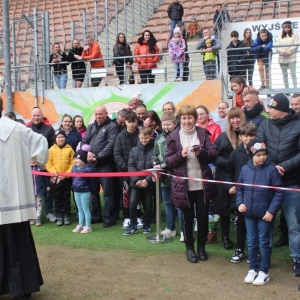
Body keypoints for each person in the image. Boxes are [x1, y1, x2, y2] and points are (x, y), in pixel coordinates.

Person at [0, 97, 48, 300]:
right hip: (14, 200)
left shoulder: (18, 129)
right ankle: (22, 288)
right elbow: (42, 145)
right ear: (2, 106)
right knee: (18, 243)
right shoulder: (18, 129)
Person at [165, 105, 218, 263]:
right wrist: (180, 155)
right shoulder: (173, 136)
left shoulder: (203, 133)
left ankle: (201, 247)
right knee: (187, 219)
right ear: (179, 119)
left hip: (202, 185)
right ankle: (189, 248)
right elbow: (168, 161)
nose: (187, 121)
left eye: (190, 118)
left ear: (195, 119)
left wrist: (202, 153)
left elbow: (213, 155)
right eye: (184, 118)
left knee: (202, 217)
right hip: (183, 186)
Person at [256, 93, 300, 276]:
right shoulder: (265, 123)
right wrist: (273, 168)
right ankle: (264, 257)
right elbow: (259, 146)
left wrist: (283, 166)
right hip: (269, 183)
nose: (268, 110)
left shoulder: (298, 124)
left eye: (271, 107)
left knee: (294, 225)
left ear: (280, 109)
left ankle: (297, 258)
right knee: (266, 223)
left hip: (292, 183)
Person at [237, 139, 284, 285]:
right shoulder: (245, 169)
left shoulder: (271, 170)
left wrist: (271, 211)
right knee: (251, 242)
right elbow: (240, 188)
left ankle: (264, 271)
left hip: (265, 215)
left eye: (264, 154)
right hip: (249, 213)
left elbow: (279, 193)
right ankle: (253, 269)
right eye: (259, 155)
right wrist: (240, 203)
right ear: (251, 155)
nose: (262, 157)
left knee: (264, 242)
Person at [212, 107, 245, 250]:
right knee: (224, 209)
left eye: (237, 117)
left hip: (243, 177)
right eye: (232, 118)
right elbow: (214, 157)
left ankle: (241, 239)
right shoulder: (223, 137)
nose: (235, 120)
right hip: (224, 176)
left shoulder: (248, 135)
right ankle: (225, 237)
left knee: (241, 209)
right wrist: (229, 163)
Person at [81, 106, 119, 226]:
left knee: (108, 193)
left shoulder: (112, 127)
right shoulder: (91, 126)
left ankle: (109, 218)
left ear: (106, 114)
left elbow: (111, 145)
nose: (98, 116)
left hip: (105, 165)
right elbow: (84, 141)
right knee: (93, 192)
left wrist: (97, 157)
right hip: (91, 165)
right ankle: (96, 215)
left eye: (101, 114)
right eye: (96, 114)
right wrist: (87, 153)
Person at [225, 123, 257, 264]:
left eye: (251, 135)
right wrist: (230, 185)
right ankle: (239, 249)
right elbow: (228, 172)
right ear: (241, 136)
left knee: (255, 224)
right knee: (240, 223)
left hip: (257, 195)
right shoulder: (236, 154)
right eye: (245, 135)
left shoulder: (261, 153)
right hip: (241, 195)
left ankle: (254, 251)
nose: (248, 138)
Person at [152, 113, 182, 239]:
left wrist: (163, 165)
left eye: (168, 124)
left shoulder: (179, 137)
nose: (166, 127)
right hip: (163, 177)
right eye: (164, 124)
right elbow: (154, 153)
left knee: (179, 204)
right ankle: (170, 228)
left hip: (177, 176)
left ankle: (183, 231)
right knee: (168, 203)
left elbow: (178, 157)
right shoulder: (159, 138)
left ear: (175, 124)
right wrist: (155, 162)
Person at [26, 107, 57, 223]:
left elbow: (53, 147)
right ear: (31, 116)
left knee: (47, 189)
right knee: (32, 190)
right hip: (30, 166)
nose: (36, 117)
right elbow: (23, 146)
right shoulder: (26, 129)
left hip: (45, 165)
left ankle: (49, 212)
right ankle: (32, 214)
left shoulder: (49, 129)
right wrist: (29, 159)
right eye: (34, 115)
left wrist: (46, 162)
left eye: (38, 115)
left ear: (42, 116)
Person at [124, 127, 155, 235]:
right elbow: (131, 166)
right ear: (139, 137)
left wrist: (147, 180)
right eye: (142, 138)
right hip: (135, 183)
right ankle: (133, 226)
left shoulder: (154, 149)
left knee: (148, 204)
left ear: (150, 137)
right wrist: (136, 180)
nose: (144, 140)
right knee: (132, 203)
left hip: (149, 183)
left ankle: (147, 225)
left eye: (146, 138)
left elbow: (154, 167)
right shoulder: (133, 150)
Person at [114, 111, 140, 230]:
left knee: (138, 195)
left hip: (139, 171)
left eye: (133, 121)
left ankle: (138, 216)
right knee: (125, 195)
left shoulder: (141, 134)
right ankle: (126, 217)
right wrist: (126, 168)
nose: (131, 124)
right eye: (129, 122)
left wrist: (137, 169)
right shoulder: (120, 136)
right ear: (125, 122)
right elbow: (117, 154)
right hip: (124, 172)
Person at [46, 129, 75, 226]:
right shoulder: (51, 150)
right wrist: (56, 173)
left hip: (66, 178)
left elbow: (73, 162)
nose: (60, 139)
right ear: (55, 139)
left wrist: (67, 173)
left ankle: (66, 214)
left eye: (62, 137)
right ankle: (59, 214)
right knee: (57, 197)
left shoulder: (69, 149)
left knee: (66, 196)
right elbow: (48, 164)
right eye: (58, 137)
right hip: (56, 178)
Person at [72, 145, 98, 234]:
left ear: (83, 159)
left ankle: (88, 226)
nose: (75, 160)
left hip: (85, 192)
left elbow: (93, 182)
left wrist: (93, 192)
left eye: (77, 158)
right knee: (79, 209)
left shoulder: (89, 169)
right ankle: (80, 224)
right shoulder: (74, 168)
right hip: (76, 191)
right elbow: (73, 179)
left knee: (85, 209)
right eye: (75, 158)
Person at [276, 21, 299, 89]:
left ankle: (295, 90)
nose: (287, 29)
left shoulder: (295, 35)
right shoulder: (280, 36)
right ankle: (287, 90)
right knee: (285, 75)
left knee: (293, 74)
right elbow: (277, 46)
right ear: (283, 28)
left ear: (290, 27)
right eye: (285, 27)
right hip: (282, 58)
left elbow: (295, 45)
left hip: (291, 58)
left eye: (288, 27)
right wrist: (283, 53)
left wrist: (289, 52)